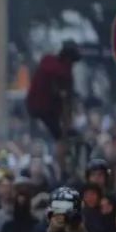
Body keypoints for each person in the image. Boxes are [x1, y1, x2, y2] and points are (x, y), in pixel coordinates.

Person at [26, 41, 82, 174]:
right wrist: (67, 123)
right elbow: (65, 101)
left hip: (32, 107)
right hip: (45, 109)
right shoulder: (63, 73)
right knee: (59, 137)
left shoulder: (47, 61)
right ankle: (63, 171)